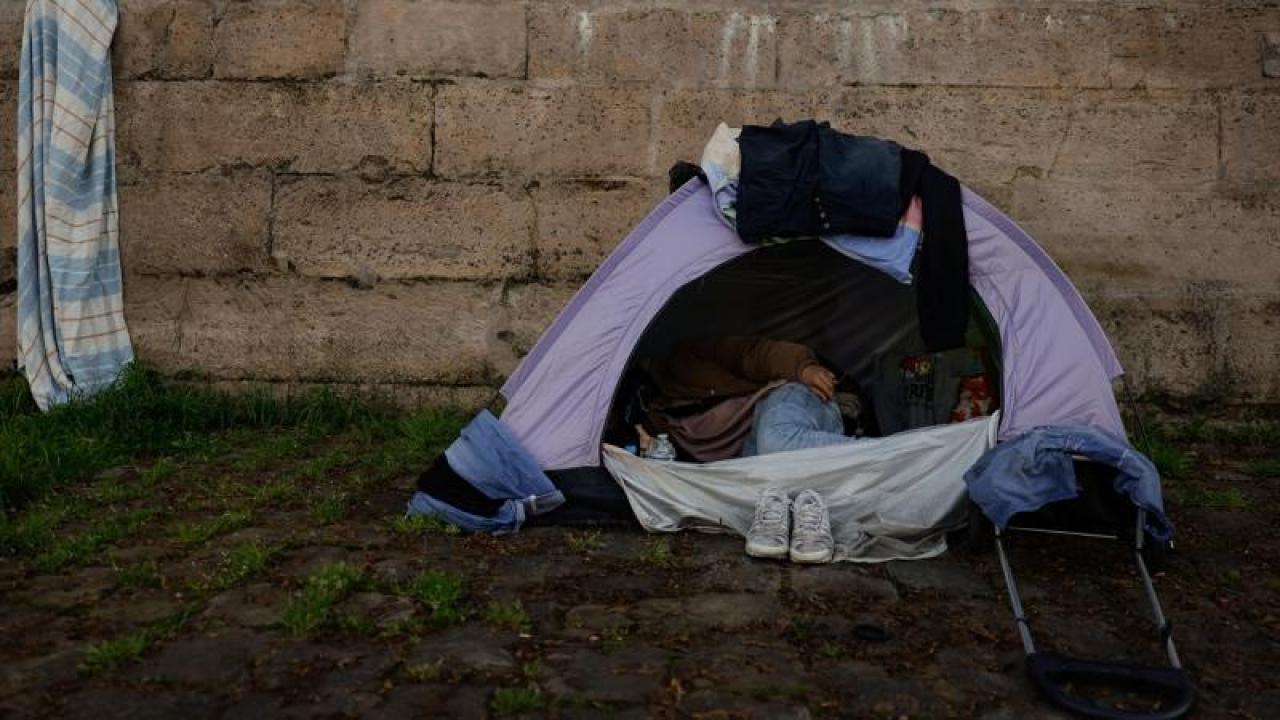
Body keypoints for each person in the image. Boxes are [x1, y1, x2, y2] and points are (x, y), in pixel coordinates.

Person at [644, 336, 862, 563]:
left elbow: (754, 353)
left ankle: (884, 451)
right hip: (752, 446)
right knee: (763, 486)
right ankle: (800, 518)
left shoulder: (684, 359)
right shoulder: (659, 424)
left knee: (775, 441)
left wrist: (804, 368)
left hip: (786, 400)